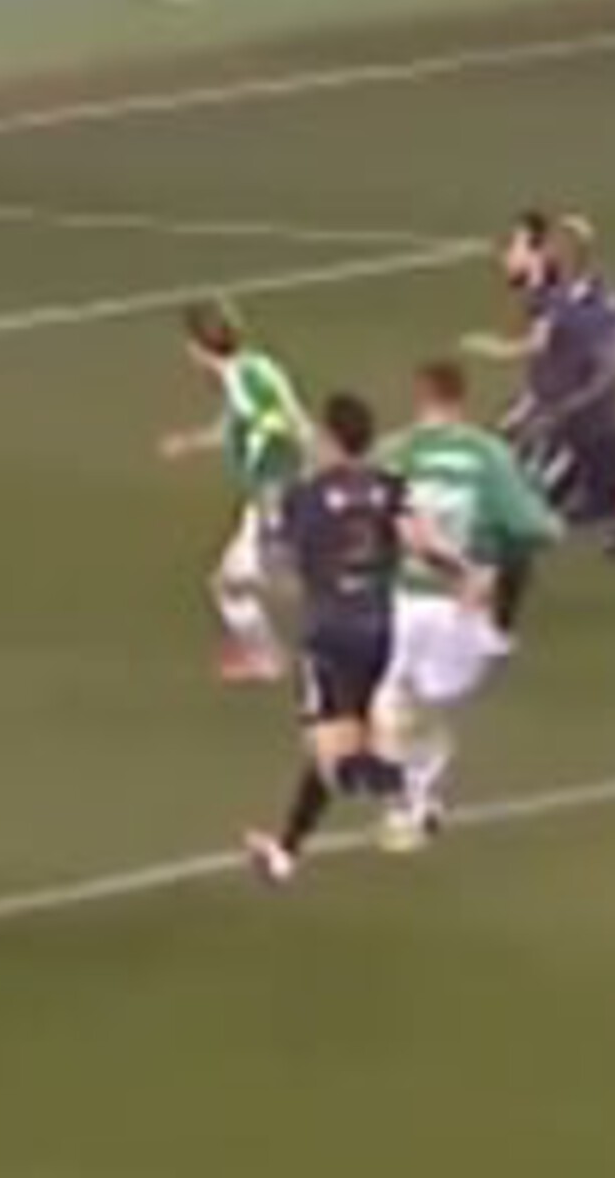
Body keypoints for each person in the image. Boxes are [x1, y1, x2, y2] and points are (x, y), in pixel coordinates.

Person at [376, 359, 564, 849]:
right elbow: (537, 528)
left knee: (387, 702)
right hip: (459, 608)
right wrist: (493, 562)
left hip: (399, 597)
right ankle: (417, 798)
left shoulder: (393, 453)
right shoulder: (488, 455)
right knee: (427, 698)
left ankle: (413, 796)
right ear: (460, 400)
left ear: (420, 396)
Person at [244, 392, 412, 886]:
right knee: (346, 737)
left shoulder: (306, 495)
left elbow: (278, 571)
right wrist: (462, 571)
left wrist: (269, 527)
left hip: (329, 634)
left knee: (334, 758)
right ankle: (286, 852)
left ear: (331, 439)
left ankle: (407, 791)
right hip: (380, 630)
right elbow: (420, 538)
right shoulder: (390, 487)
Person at [158, 300, 312, 684]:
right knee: (254, 580)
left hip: (277, 495)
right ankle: (277, 649)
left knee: (235, 584)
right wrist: (190, 443)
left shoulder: (240, 383)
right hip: (287, 489)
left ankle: (272, 657)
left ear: (197, 348)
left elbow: (278, 429)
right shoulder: (255, 367)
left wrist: (272, 503)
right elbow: (252, 424)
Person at [465, 212, 615, 542]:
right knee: (514, 438)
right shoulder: (604, 288)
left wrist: (492, 348)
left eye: (554, 247)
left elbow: (536, 344)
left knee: (540, 479)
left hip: (571, 406)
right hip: (587, 401)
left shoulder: (559, 299)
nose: (550, 252)